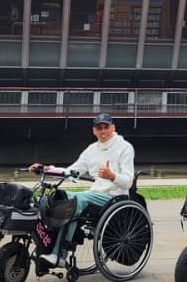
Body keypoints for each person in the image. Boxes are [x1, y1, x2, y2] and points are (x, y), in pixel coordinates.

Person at [26, 112, 135, 267]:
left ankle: (60, 255)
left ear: (113, 127)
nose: (103, 131)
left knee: (78, 199)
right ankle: (49, 247)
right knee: (62, 197)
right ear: (94, 131)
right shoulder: (91, 149)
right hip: (95, 193)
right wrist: (47, 169)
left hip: (115, 197)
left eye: (106, 127)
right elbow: (72, 171)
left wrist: (112, 175)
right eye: (99, 128)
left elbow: (128, 182)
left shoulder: (124, 147)